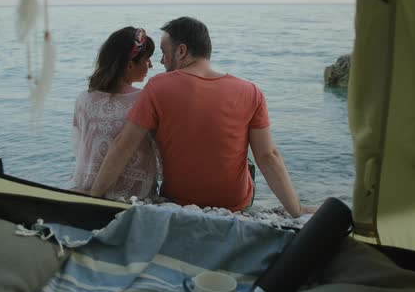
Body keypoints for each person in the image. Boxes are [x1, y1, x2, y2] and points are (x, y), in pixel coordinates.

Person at [90, 17, 314, 217]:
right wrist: (296, 210)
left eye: (164, 53)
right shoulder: (250, 91)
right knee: (246, 158)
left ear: (181, 51)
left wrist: (93, 197)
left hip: (178, 201)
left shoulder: (158, 87)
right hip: (236, 204)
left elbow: (124, 145)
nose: (161, 62)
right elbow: (268, 156)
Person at [70, 26, 159, 201]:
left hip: (83, 188)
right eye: (147, 60)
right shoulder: (143, 99)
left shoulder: (83, 99)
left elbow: (80, 147)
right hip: (131, 196)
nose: (150, 65)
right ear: (130, 65)